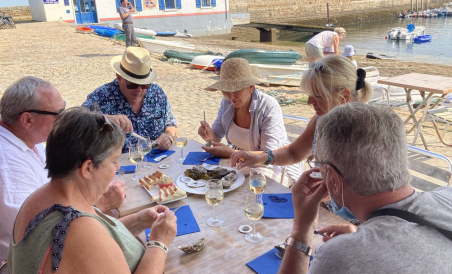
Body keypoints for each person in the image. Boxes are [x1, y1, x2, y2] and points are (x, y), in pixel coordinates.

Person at [275, 103, 452, 274]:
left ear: (333, 179)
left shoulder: (340, 257)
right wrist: (362, 234)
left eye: (318, 165)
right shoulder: (448, 196)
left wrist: (302, 229)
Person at [8, 107, 177, 274]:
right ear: (87, 168)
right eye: (114, 161)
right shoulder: (79, 229)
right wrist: (159, 243)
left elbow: (102, 238)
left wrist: (139, 220)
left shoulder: (42, 197)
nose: (118, 167)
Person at [0, 77, 126, 274]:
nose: (63, 119)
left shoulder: (29, 142)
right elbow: (37, 233)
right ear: (27, 120)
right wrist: (100, 203)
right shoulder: (7, 164)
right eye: (59, 114)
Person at [231, 55, 372, 179]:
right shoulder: (320, 120)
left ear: (344, 96)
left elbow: (367, 188)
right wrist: (259, 157)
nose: (309, 102)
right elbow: (293, 153)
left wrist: (321, 194)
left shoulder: (367, 130)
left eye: (317, 96)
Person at [198, 58, 301, 186]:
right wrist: (208, 134)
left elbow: (268, 154)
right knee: (210, 182)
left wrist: (232, 153)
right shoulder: (227, 102)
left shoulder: (268, 106)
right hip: (238, 160)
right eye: (226, 91)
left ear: (251, 87)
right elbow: (216, 136)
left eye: (236, 90)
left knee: (246, 192)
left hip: (272, 165)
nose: (231, 96)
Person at [82, 47, 177, 153]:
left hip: (156, 161)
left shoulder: (157, 93)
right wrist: (104, 119)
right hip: (118, 165)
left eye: (144, 85)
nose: (139, 90)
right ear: (119, 78)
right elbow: (75, 123)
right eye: (133, 85)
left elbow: (171, 125)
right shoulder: (102, 96)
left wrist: (168, 136)